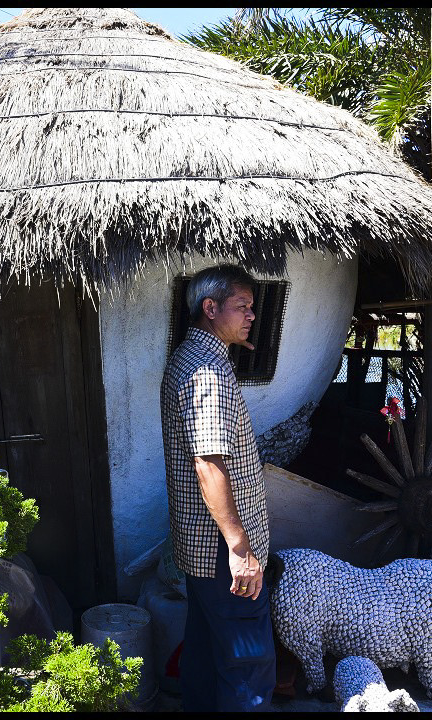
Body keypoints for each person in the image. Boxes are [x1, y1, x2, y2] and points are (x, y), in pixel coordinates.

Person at [160, 264, 275, 712]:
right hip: (224, 557)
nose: (251, 316)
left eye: (252, 307)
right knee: (247, 666)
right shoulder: (207, 373)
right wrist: (241, 549)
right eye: (241, 307)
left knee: (207, 656)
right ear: (210, 308)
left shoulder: (192, 357)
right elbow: (208, 463)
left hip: (199, 551)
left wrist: (228, 350)